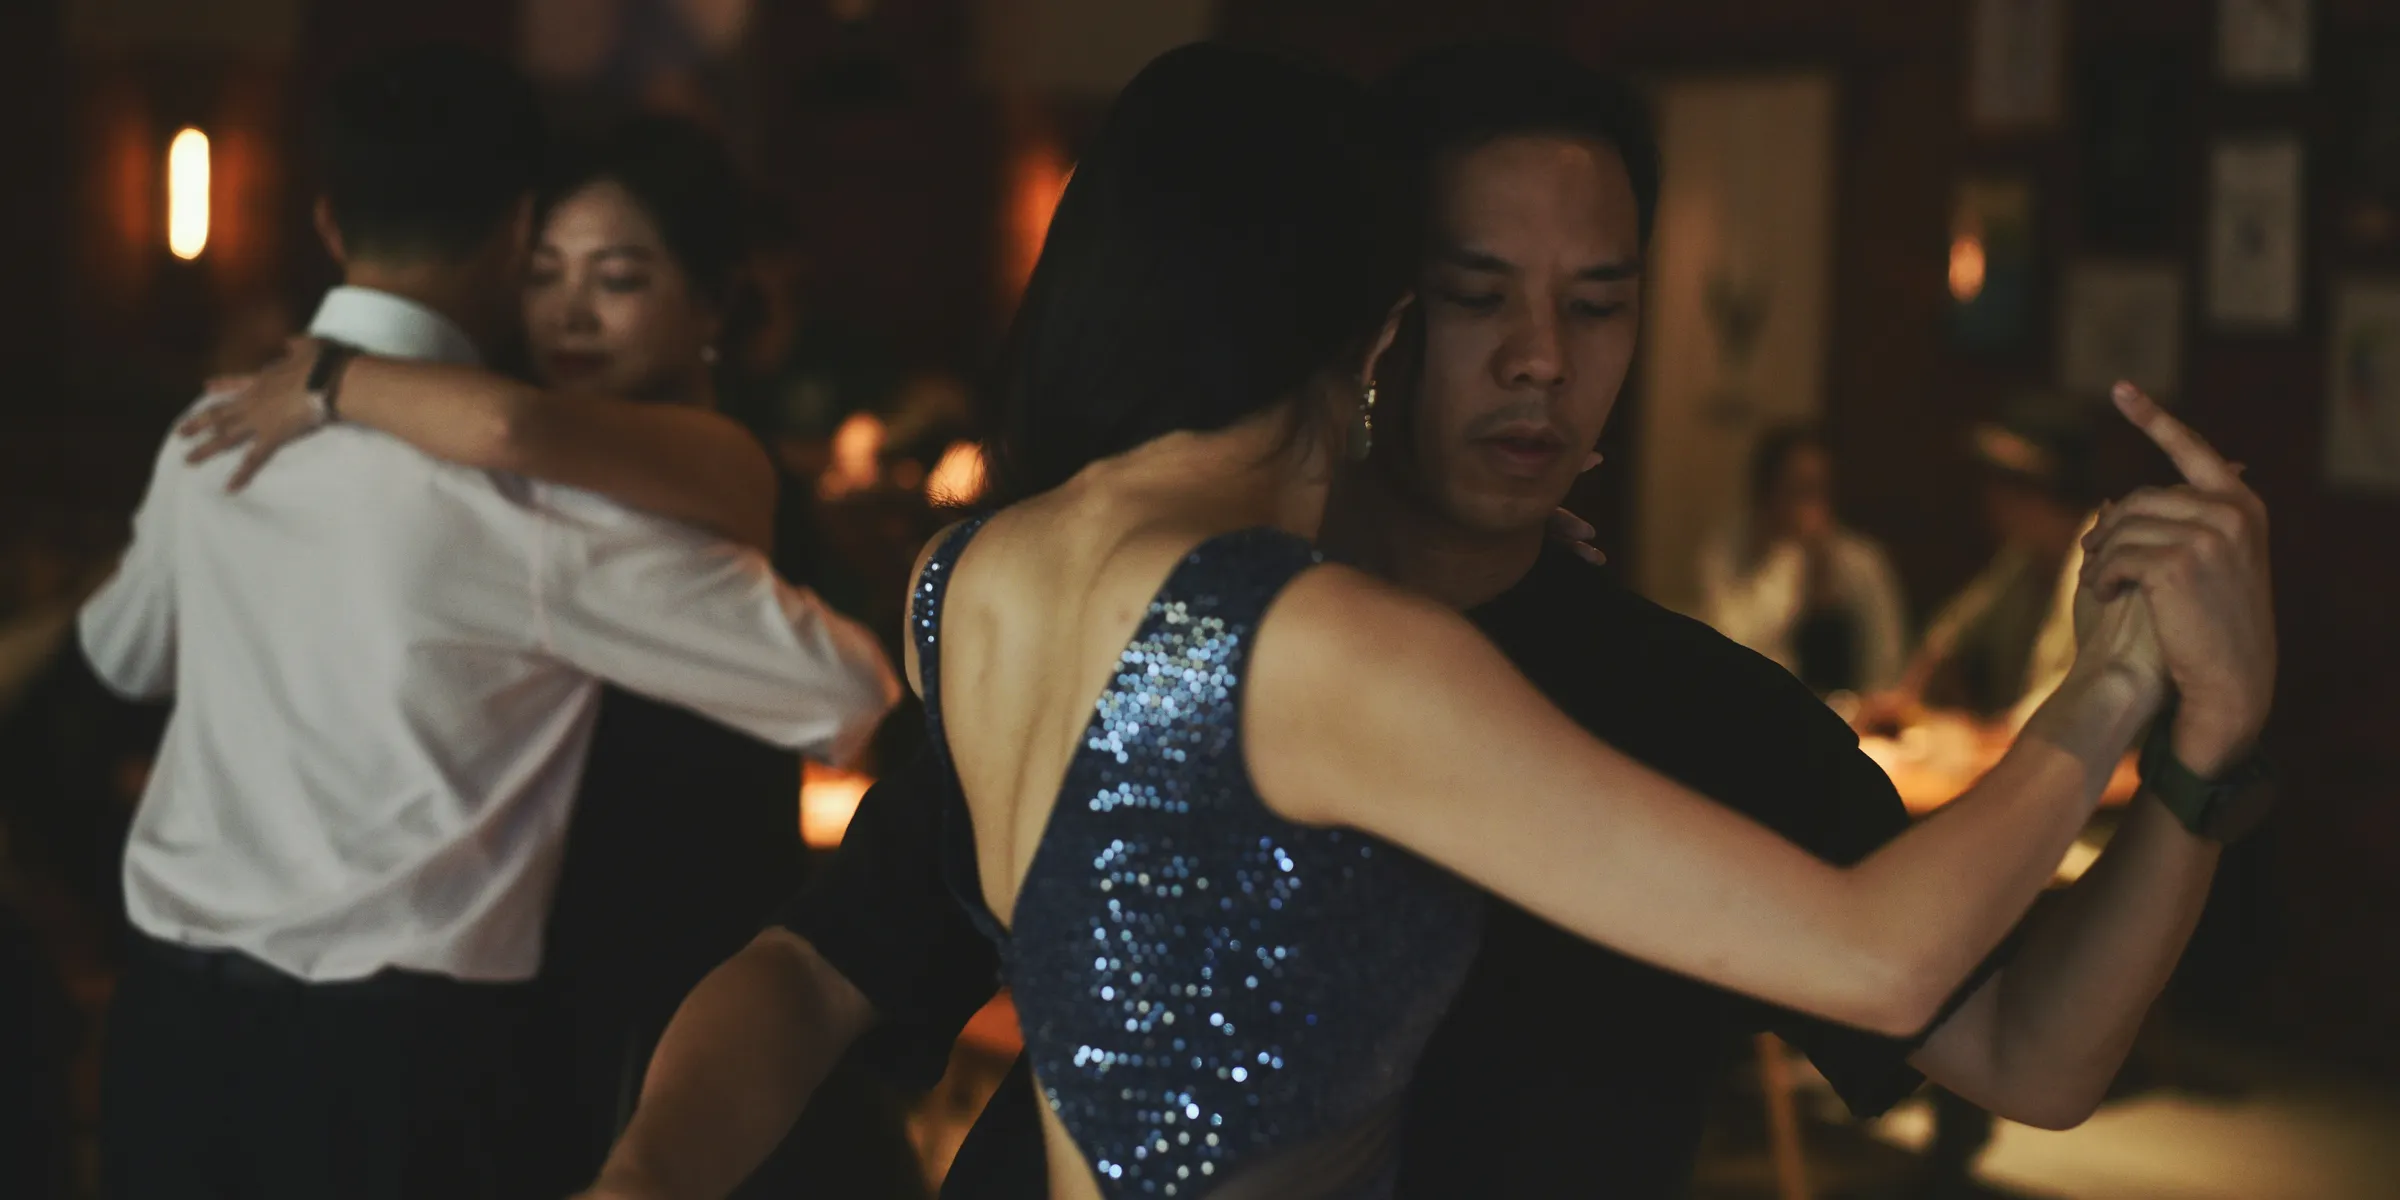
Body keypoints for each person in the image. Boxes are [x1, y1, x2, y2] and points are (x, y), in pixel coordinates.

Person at [579, 43, 2274, 1200]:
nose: (1544, 357)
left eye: (1598, 303)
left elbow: (2028, 1062)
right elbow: (819, 966)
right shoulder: (1173, 636)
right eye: (1478, 299)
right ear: (1367, 314)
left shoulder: (1706, 710)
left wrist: (2195, 754)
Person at [80, 48, 899, 1199]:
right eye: (552, 269)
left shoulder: (220, 433)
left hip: (177, 1035)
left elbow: (119, 653)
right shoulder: (535, 506)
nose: (569, 308)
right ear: (514, 241)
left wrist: (325, 394)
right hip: (391, 1058)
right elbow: (843, 688)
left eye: (617, 274)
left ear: (324, 218)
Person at [1879, 392, 2104, 730]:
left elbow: (2075, 697)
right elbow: (1950, 634)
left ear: (2044, 488)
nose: (1992, 500)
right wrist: (1906, 700)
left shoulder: (2103, 554)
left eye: (2006, 483)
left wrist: (1980, 738)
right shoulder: (2023, 557)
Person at [1698, 424, 1909, 696]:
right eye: (1798, 491)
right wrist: (1789, 562)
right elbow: (1732, 644)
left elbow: (1887, 661)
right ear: (1766, 495)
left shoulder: (1861, 562)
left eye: (1820, 491)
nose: (1812, 508)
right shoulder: (1729, 550)